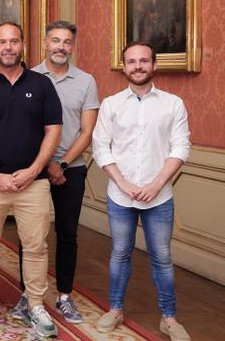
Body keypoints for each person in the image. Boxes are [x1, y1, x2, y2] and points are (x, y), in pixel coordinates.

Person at [0, 22, 62, 338]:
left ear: (23, 44)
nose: (7, 47)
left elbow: (53, 131)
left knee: (36, 246)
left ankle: (35, 304)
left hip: (33, 184)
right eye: (1, 42)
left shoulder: (43, 84)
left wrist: (35, 170)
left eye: (13, 41)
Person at [92, 42, 191, 341]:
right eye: (131, 61)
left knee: (162, 257)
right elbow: (100, 147)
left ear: (154, 65)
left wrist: (155, 185)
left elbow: (181, 147)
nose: (138, 66)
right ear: (124, 66)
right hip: (120, 196)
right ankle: (116, 309)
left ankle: (169, 319)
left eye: (143, 61)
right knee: (120, 253)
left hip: (159, 198)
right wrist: (124, 184)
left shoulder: (173, 104)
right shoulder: (111, 104)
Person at [12, 22, 99, 324]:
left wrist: (61, 164)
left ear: (73, 46)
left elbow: (87, 132)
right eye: (55, 40)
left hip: (70, 170)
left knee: (67, 234)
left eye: (67, 42)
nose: (61, 47)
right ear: (45, 43)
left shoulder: (86, 82)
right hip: (34, 169)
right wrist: (45, 162)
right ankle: (27, 295)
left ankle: (64, 295)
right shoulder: (28, 78)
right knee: (30, 235)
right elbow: (23, 127)